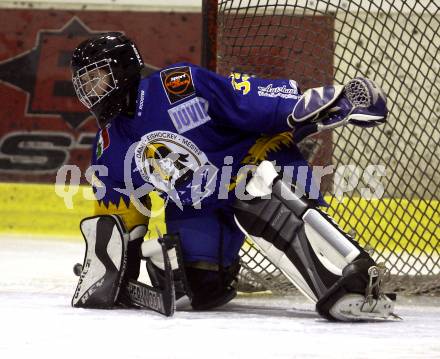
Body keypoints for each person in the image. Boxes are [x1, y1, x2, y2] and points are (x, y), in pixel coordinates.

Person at [70, 32, 396, 321]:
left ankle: (350, 276)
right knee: (201, 291)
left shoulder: (179, 86)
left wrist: (337, 103)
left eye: (97, 79)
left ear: (124, 71)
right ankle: (213, 270)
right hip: (201, 206)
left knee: (254, 194)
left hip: (261, 167)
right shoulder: (108, 146)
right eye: (83, 85)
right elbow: (119, 224)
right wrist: (111, 275)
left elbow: (259, 104)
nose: (91, 93)